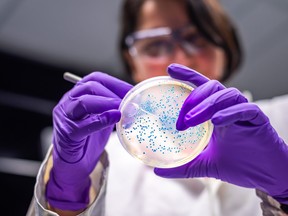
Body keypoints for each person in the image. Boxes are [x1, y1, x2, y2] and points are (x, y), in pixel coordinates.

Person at [27, 0, 288, 215]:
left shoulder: (283, 117)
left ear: (226, 47)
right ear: (133, 60)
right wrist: (67, 192)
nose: (181, 57)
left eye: (196, 39)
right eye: (155, 45)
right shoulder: (105, 154)